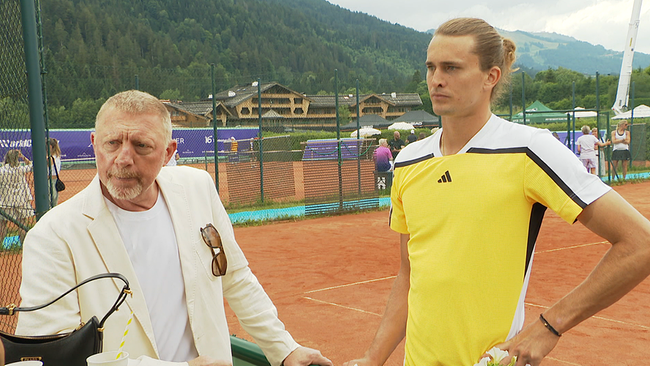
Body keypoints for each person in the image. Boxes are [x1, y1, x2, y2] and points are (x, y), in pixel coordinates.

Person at [344, 18, 650, 366]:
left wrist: (550, 325)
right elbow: (409, 274)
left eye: (451, 68)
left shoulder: (529, 149)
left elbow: (641, 243)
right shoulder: (409, 161)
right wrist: (372, 358)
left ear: (491, 76)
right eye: (431, 67)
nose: (436, 79)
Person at [16, 90, 332, 366]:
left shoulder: (197, 188)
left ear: (169, 152)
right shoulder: (52, 236)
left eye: (141, 145)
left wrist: (285, 349)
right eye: (112, 143)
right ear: (95, 143)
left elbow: (234, 278)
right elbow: (51, 355)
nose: (124, 159)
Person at [0, 150, 34, 244]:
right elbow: (31, 165)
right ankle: (24, 244)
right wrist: (23, 157)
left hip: (6, 201)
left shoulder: (2, 171)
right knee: (22, 223)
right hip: (20, 200)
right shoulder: (20, 169)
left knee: (2, 224)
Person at [48, 138, 63, 205]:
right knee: (53, 201)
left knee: (50, 202)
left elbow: (49, 163)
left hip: (51, 180)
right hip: (53, 180)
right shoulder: (56, 156)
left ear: (50, 146)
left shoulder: (51, 157)